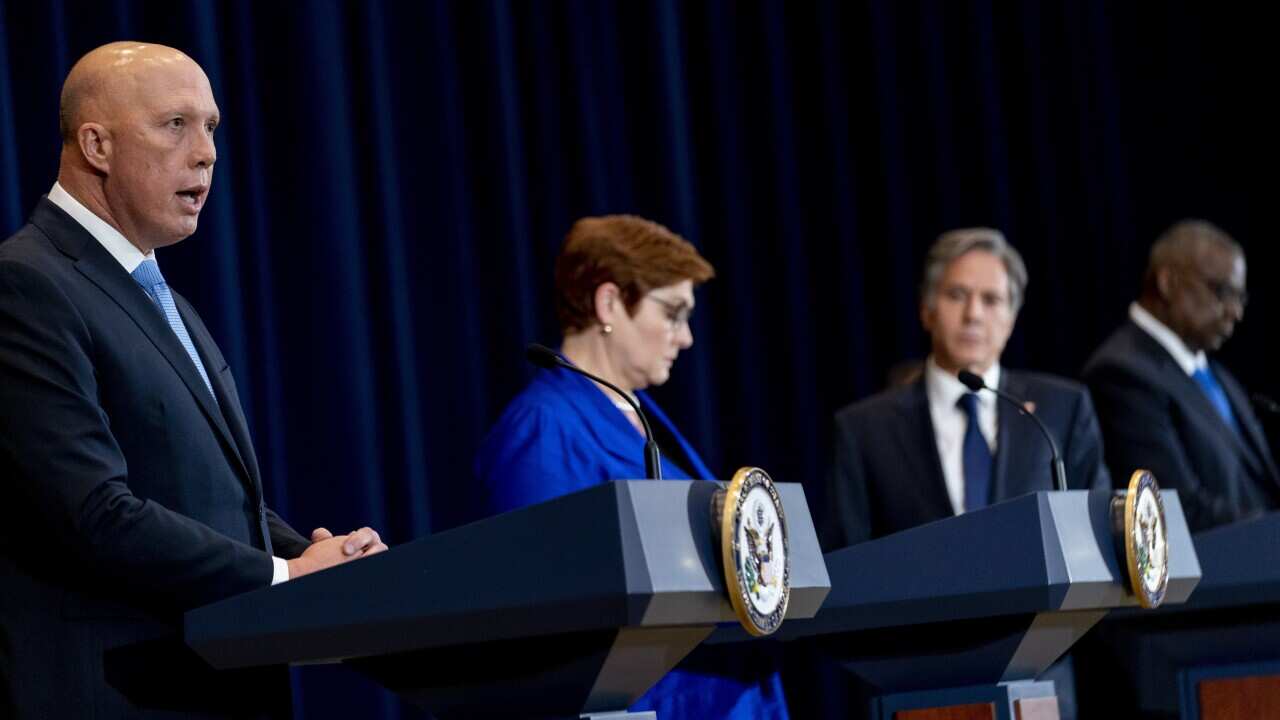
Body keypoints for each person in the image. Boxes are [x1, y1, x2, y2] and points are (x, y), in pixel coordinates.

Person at [0, 42, 386, 719]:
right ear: (96, 145)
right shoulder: (26, 284)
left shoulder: (164, 300)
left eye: (211, 128)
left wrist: (315, 559)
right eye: (175, 125)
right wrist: (282, 575)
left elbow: (208, 496)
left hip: (210, 684)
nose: (206, 153)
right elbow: (93, 513)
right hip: (115, 693)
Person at [475, 215, 789, 718]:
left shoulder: (643, 415)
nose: (685, 338)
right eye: (673, 313)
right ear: (609, 304)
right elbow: (545, 618)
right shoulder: (542, 427)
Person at [823, 227, 1111, 550]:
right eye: (957, 295)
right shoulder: (864, 431)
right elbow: (845, 561)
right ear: (927, 310)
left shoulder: (1063, 410)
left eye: (991, 299)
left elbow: (1099, 540)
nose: (973, 314)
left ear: (1011, 318)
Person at [1083, 220, 1280, 531]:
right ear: (1168, 283)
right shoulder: (1121, 373)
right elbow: (1174, 506)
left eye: (1240, 298)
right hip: (1218, 557)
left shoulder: (1217, 374)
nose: (1235, 312)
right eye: (1223, 292)